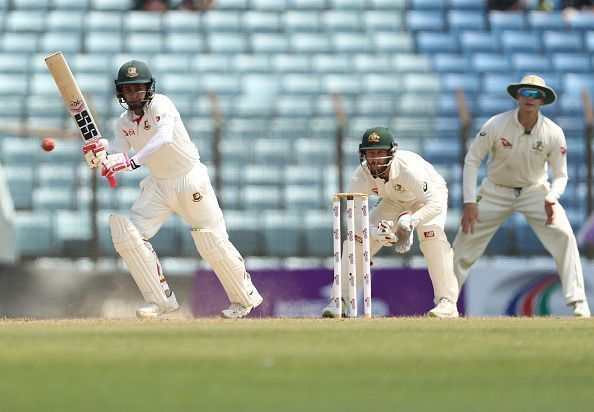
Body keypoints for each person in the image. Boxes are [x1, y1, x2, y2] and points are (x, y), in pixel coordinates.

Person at [82, 60, 263, 319]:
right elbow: (118, 155)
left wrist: (131, 162)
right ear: (121, 92)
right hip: (158, 185)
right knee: (127, 235)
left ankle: (244, 300)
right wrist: (101, 158)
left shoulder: (161, 104)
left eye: (138, 88)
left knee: (211, 240)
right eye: (128, 89)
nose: (134, 94)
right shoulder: (123, 123)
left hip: (189, 179)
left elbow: (163, 138)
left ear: (149, 88)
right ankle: (160, 301)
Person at [452, 75, 590, 318]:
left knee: (565, 235)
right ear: (518, 96)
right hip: (495, 190)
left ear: (542, 101)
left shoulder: (553, 132)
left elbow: (561, 175)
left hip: (535, 192)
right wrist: (470, 201)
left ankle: (578, 302)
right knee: (465, 239)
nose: (530, 99)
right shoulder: (496, 125)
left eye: (536, 95)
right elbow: (472, 160)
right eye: (526, 93)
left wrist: (552, 197)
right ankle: (446, 301)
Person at [322, 127, 460, 318]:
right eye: (371, 153)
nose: (375, 158)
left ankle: (447, 303)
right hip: (392, 201)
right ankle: (341, 301)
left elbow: (435, 202)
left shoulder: (407, 167)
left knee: (431, 237)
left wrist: (410, 221)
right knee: (357, 239)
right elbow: (353, 217)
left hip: (427, 197)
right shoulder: (360, 176)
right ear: (363, 154)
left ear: (391, 153)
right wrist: (373, 232)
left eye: (380, 152)